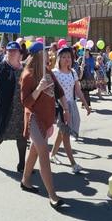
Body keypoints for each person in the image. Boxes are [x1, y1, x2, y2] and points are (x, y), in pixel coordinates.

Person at [20, 42, 69, 209]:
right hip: (34, 117)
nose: (49, 54)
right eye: (45, 52)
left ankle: (26, 180)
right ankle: (52, 195)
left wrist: (66, 108)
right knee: (43, 152)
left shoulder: (47, 71)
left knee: (35, 149)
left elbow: (59, 91)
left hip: (48, 117)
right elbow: (26, 102)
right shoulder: (28, 75)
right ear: (38, 55)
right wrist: (38, 89)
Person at [0, 41, 28, 172]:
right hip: (5, 108)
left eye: (14, 51)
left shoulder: (24, 68)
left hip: (21, 109)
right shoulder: (1, 67)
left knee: (22, 138)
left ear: (19, 53)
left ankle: (22, 165)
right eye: (9, 51)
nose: (11, 53)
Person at [50, 46, 92, 173]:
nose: (66, 59)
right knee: (66, 134)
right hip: (60, 107)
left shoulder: (73, 72)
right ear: (59, 58)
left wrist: (86, 105)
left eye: (68, 57)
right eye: (63, 57)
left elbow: (78, 90)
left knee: (62, 132)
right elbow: (51, 91)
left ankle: (52, 155)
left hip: (71, 105)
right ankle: (73, 164)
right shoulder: (55, 73)